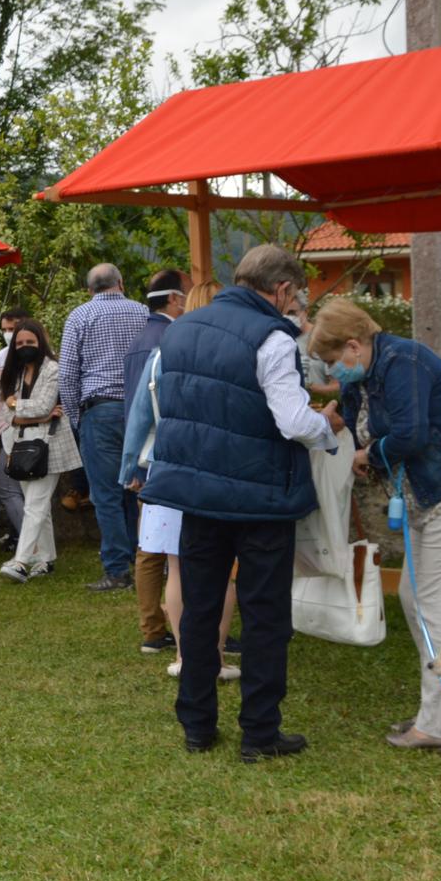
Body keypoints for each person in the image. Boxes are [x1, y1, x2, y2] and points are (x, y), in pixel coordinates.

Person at [145, 245, 341, 761]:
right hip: (259, 496)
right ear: (281, 290)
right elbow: (294, 422)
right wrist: (330, 428)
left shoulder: (181, 327)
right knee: (264, 615)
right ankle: (259, 731)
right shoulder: (273, 337)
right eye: (295, 296)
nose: (294, 305)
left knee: (201, 609)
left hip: (197, 491)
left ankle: (197, 723)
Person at [312, 297, 441, 753]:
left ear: (354, 346)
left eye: (331, 360)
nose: (330, 371)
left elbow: (410, 434)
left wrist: (369, 456)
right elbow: (346, 415)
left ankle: (438, 726)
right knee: (416, 598)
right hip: (431, 500)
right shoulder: (367, 375)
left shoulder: (404, 362)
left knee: (435, 606)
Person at [120, 338, 240, 683]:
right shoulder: (226, 353)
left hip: (168, 463)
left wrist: (129, 467)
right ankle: (214, 655)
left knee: (175, 567)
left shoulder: (161, 357)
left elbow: (141, 414)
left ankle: (184, 655)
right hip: (215, 465)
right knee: (222, 567)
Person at [59, 263, 150, 595]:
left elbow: (68, 373)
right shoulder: (143, 312)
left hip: (100, 409)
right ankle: (150, 559)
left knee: (106, 494)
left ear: (89, 289)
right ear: (121, 283)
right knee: (140, 486)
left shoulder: (80, 316)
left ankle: (117, 570)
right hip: (142, 408)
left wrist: (75, 416)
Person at [125, 270, 189, 653]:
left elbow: (131, 410)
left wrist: (131, 463)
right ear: (175, 299)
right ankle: (180, 623)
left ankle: (152, 627)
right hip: (167, 455)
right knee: (177, 550)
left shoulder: (138, 340)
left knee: (149, 546)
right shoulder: (171, 341)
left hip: (143, 454)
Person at [0, 318, 82, 584]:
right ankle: (45, 558)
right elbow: (8, 411)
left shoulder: (53, 369)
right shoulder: (18, 372)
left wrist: (15, 405)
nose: (23, 346)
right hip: (21, 445)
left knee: (34, 504)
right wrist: (24, 413)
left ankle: (21, 561)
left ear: (40, 342)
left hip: (49, 444)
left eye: (29, 342)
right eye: (19, 343)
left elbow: (44, 406)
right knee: (38, 506)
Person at [0, 307, 31, 548]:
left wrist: (4, 398)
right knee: (17, 491)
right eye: (4, 329)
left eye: (12, 329)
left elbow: (9, 395)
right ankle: (24, 540)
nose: (7, 334)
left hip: (22, 426)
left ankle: (30, 544)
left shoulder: (40, 358)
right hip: (7, 424)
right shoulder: (1, 356)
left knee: (11, 489)